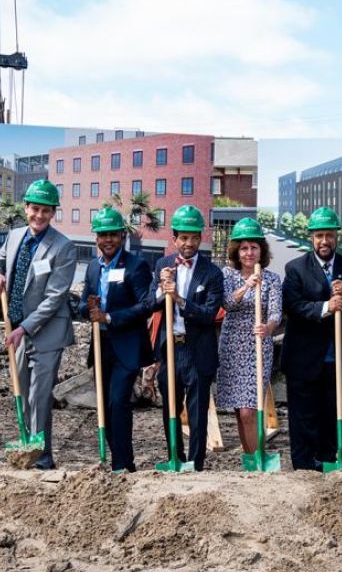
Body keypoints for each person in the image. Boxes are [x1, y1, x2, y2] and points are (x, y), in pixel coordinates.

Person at [281, 207, 342, 471]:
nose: (324, 241)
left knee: (331, 415)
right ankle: (304, 468)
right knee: (303, 418)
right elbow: (293, 305)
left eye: (329, 235)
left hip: (336, 359)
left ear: (337, 238)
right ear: (311, 237)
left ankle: (329, 463)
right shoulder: (296, 268)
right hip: (303, 359)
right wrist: (325, 307)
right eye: (319, 235)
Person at [0, 180, 77, 469]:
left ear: (53, 212)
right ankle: (27, 446)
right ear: (26, 208)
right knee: (20, 390)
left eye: (46, 210)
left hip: (46, 332)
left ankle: (43, 457)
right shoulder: (15, 235)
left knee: (40, 395)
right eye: (35, 209)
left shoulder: (63, 247)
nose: (39, 215)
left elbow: (55, 297)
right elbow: (2, 258)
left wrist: (24, 328)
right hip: (17, 329)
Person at [148, 205, 223, 471]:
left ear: (200, 238)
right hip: (170, 349)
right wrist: (161, 289)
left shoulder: (212, 273)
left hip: (198, 350)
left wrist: (179, 299)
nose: (188, 243)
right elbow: (150, 304)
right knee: (169, 407)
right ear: (175, 238)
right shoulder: (162, 264)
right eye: (183, 238)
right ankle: (175, 458)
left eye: (193, 237)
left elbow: (209, 314)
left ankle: (195, 464)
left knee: (197, 412)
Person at [79, 207, 154, 472]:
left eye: (113, 234)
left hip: (126, 346)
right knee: (105, 406)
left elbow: (147, 305)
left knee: (118, 402)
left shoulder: (136, 266)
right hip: (101, 348)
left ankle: (124, 464)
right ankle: (117, 461)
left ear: (122, 236)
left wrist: (109, 317)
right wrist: (87, 308)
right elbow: (82, 304)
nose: (107, 240)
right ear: (96, 238)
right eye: (102, 235)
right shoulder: (92, 267)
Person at [217, 218, 282, 453]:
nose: (249, 253)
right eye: (244, 248)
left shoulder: (272, 279)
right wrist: (247, 286)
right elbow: (226, 304)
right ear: (237, 251)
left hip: (257, 346)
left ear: (261, 250)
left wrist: (268, 328)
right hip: (232, 345)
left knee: (249, 410)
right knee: (239, 410)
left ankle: (257, 459)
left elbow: (276, 312)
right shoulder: (227, 274)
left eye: (254, 247)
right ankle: (250, 458)